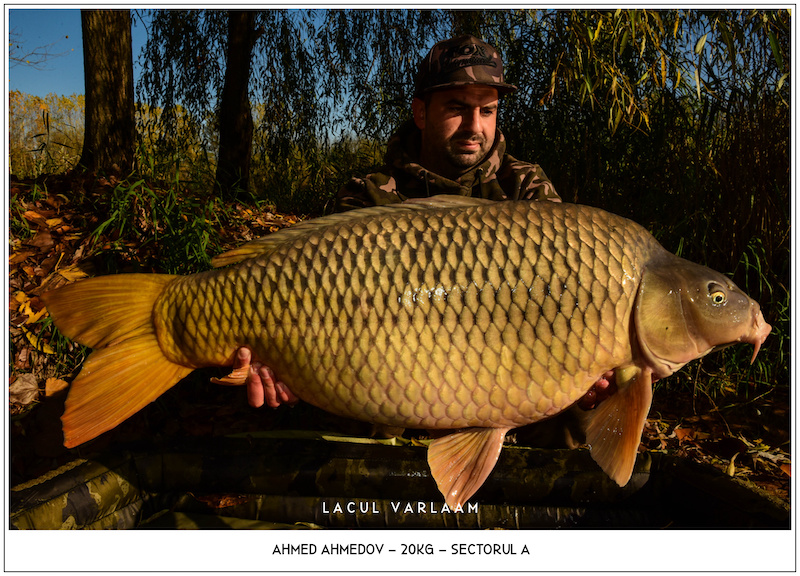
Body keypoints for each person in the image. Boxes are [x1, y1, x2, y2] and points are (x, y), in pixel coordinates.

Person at [223, 35, 614, 415]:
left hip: (501, 392)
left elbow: (563, 303)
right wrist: (291, 372)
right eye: (457, 108)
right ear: (421, 112)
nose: (474, 126)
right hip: (384, 395)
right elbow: (314, 308)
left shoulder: (526, 190)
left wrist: (582, 373)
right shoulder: (369, 196)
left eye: (487, 111)